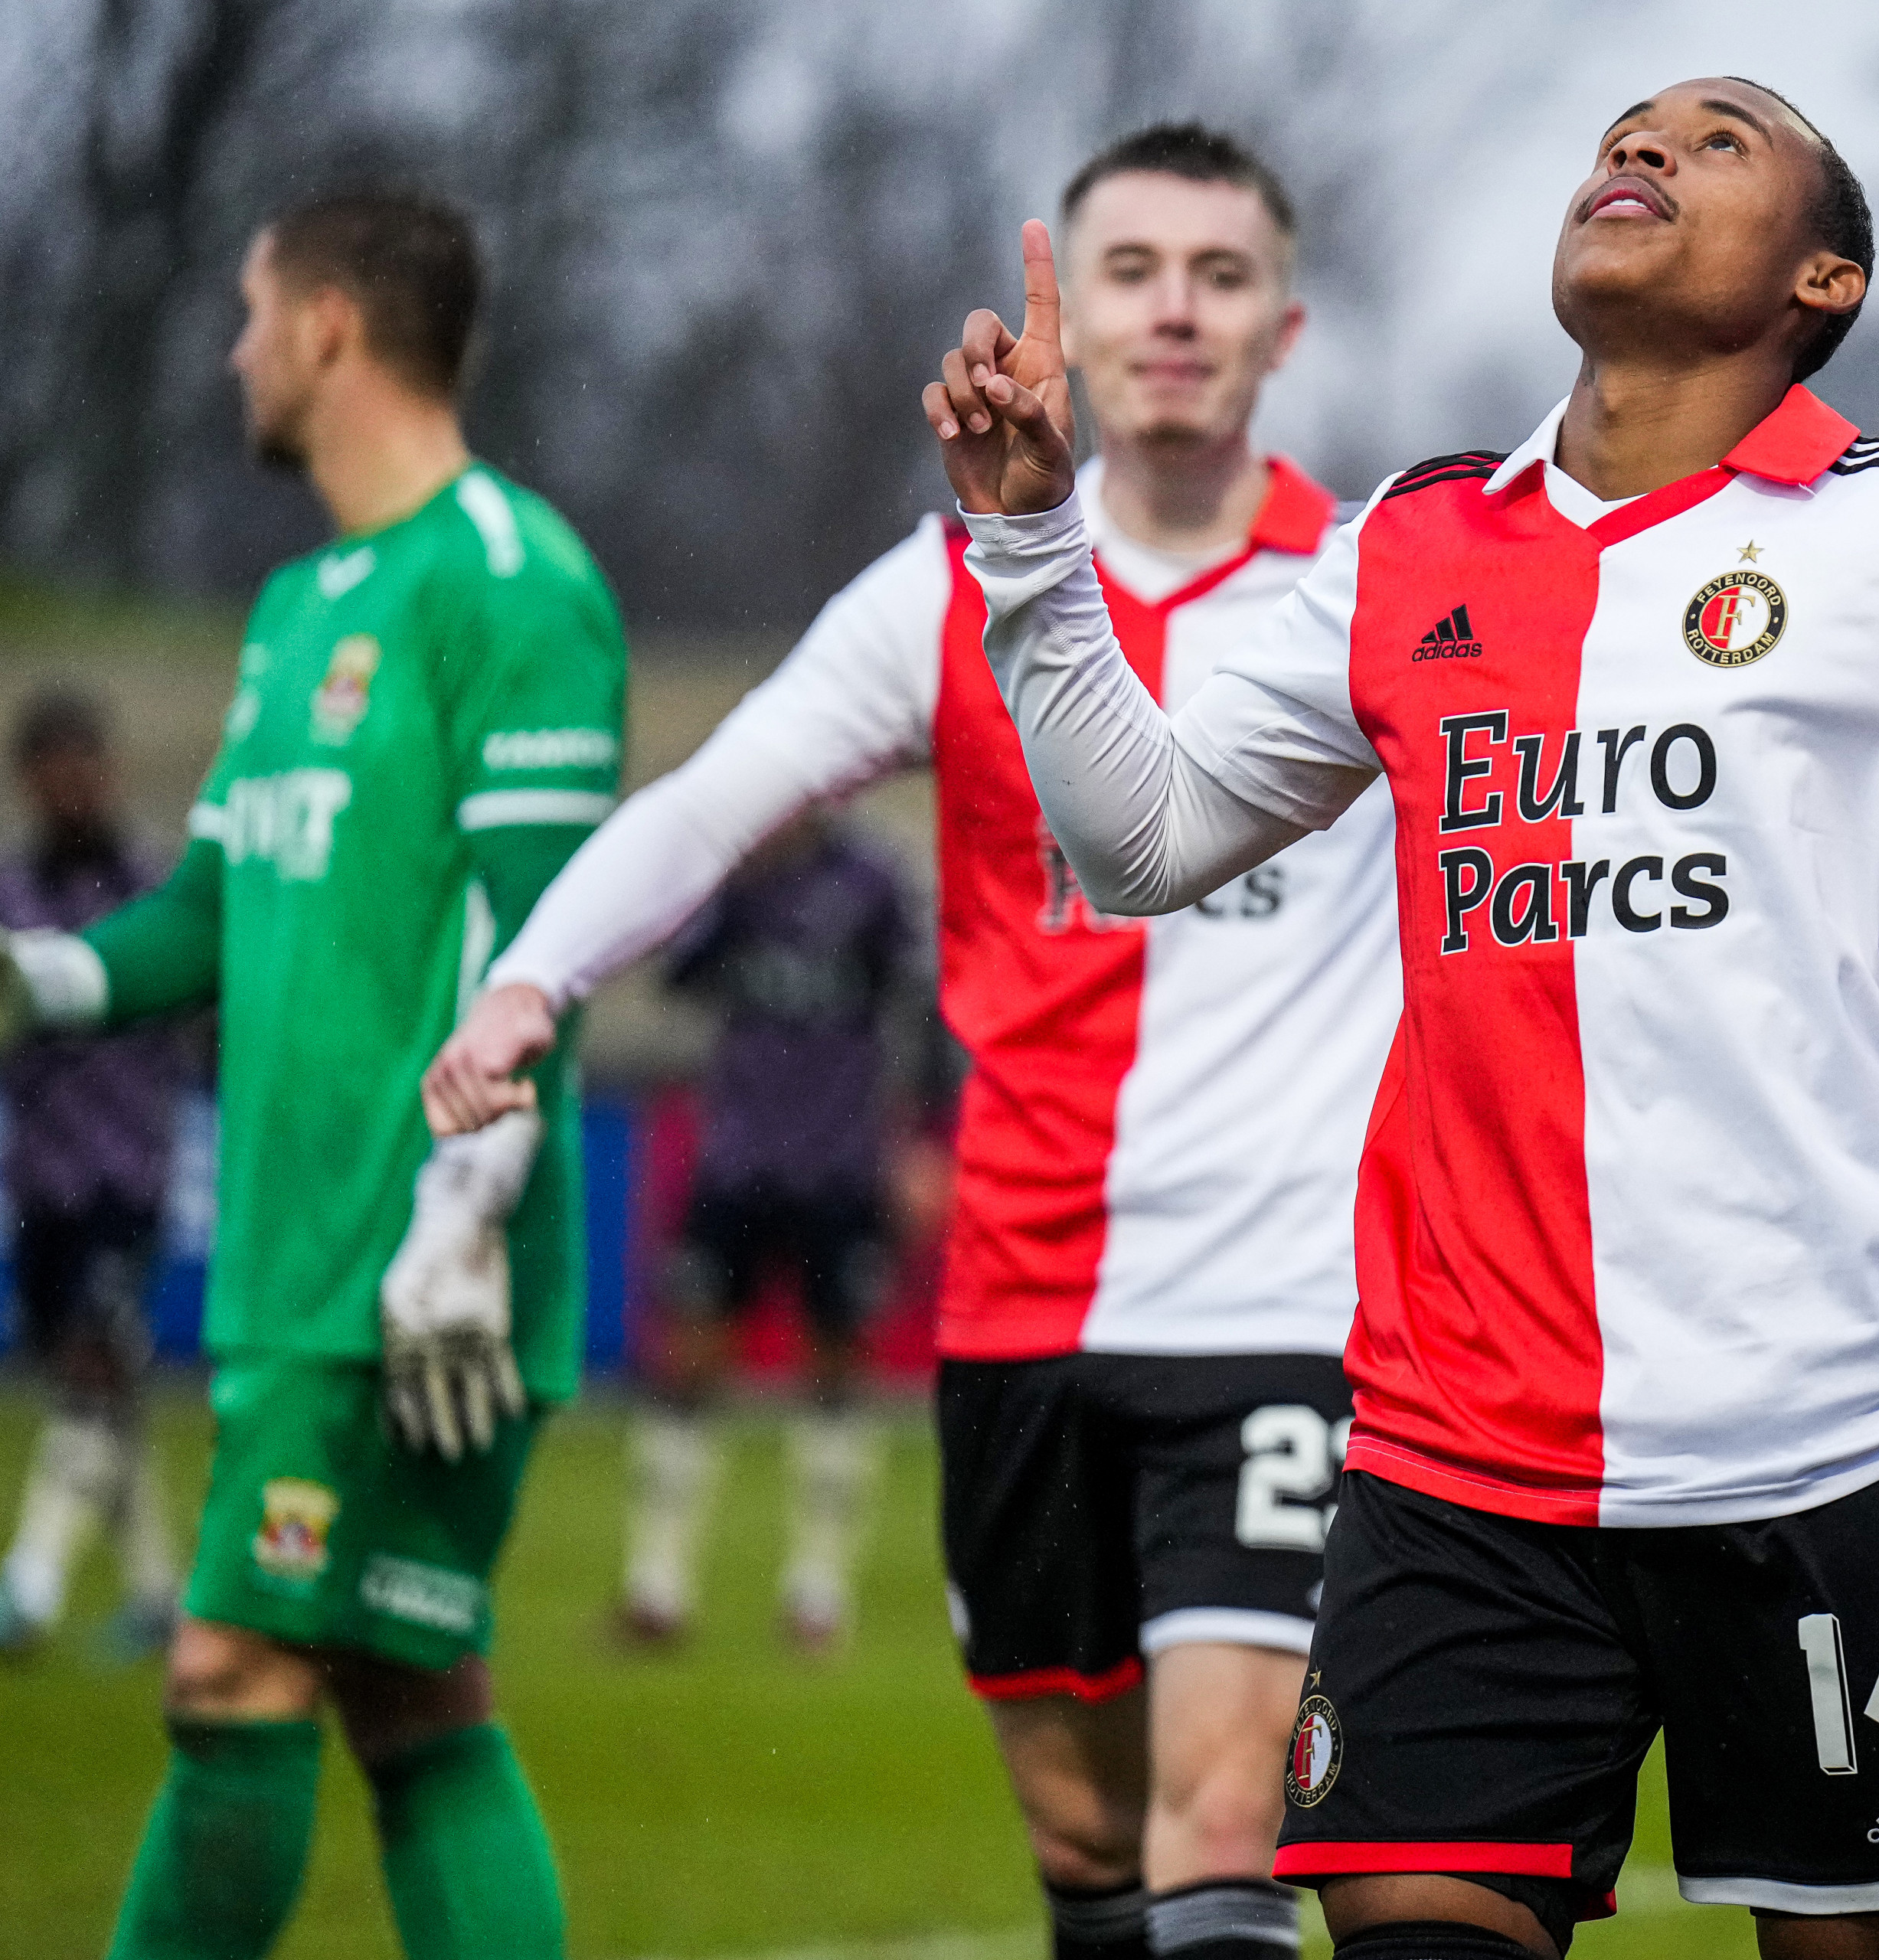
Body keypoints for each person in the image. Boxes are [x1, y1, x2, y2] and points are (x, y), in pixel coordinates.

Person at [926, 79, 1879, 1960]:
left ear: (1819, 275)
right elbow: (1146, 834)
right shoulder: (1412, 546)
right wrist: (1027, 547)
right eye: (1627, 133)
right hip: (1452, 1452)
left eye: (1717, 141)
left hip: (1813, 1439)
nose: (1638, 152)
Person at [422, 126, 1398, 1960]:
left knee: (1226, 1804)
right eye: (1131, 270)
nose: (1174, 309)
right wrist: (534, 977)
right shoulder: (948, 590)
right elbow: (714, 806)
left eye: (1217, 273)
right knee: (1081, 1825)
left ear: (1284, 320)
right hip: (1020, 1292)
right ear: (1080, 317)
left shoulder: (1367, 587)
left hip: (1286, 1294)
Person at [1, 189, 625, 1960]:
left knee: (231, 1668)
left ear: (332, 325)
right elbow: (205, 904)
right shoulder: (296, 607)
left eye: (251, 309)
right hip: (298, 1259)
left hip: (411, 1265)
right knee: (411, 1697)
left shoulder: (509, 578)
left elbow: (543, 938)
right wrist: (34, 978)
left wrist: (466, 1208)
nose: (233, 351)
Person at [617, 806, 927, 1652]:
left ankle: (818, 1593)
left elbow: (922, 1003)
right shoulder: (734, 878)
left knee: (836, 1372)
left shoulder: (873, 881)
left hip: (839, 1165)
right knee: (688, 1364)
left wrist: (924, 1140)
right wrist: (720, 888)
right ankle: (657, 1586)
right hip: (736, 1160)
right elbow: (673, 976)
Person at [0, 688, 191, 1660]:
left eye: (87, 762)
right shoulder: (10, 897)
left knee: (92, 1356)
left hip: (128, 1169)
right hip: (42, 1181)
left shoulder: (156, 889)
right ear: (29, 778)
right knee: (99, 1385)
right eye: (53, 764)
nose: (72, 782)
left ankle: (26, 1587)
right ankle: (160, 1593)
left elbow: (203, 1000)